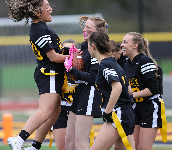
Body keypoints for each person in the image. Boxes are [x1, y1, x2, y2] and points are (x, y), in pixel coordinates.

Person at [6, 0, 70, 150]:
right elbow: (53, 57)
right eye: (46, 7)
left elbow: (57, 53)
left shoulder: (41, 28)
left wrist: (70, 54)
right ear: (37, 12)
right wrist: (74, 59)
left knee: (54, 113)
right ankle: (19, 139)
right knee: (46, 111)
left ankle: (35, 146)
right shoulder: (39, 29)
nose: (51, 9)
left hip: (53, 73)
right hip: (50, 73)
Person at [88, 30, 135, 150]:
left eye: (88, 45)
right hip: (125, 112)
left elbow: (118, 87)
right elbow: (128, 90)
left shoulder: (105, 64)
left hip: (118, 113)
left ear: (93, 46)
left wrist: (107, 112)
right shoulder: (114, 63)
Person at [65, 16, 107, 150]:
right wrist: (74, 59)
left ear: (97, 32)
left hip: (90, 92)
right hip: (79, 91)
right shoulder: (84, 46)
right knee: (69, 143)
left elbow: (94, 78)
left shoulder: (98, 48)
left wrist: (73, 70)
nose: (85, 29)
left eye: (89, 28)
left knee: (80, 144)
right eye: (84, 27)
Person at [121, 32, 165, 150]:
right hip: (136, 107)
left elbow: (153, 89)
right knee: (132, 147)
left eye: (125, 42)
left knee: (144, 148)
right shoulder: (126, 63)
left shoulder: (144, 61)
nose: (122, 45)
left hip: (150, 107)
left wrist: (130, 96)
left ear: (135, 45)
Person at [51, 39, 79, 150]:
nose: (68, 52)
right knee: (62, 147)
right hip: (60, 110)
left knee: (77, 146)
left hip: (77, 110)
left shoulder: (82, 67)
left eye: (71, 50)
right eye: (65, 49)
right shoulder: (56, 68)